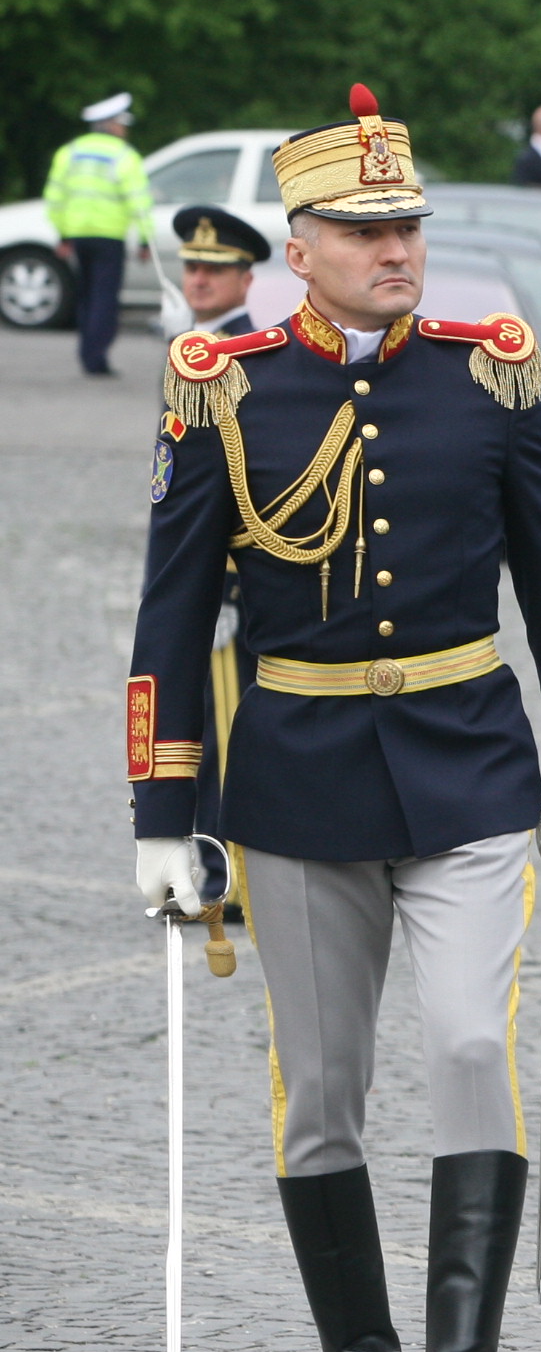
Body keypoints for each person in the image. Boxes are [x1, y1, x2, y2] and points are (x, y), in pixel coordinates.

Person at [128, 84, 541, 1352]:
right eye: (361, 230)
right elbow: (171, 612)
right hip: (294, 777)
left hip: (467, 763)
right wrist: (162, 814)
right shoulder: (225, 388)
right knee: (322, 1087)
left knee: (472, 1043)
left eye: (405, 224)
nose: (395, 249)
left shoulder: (489, 369)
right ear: (303, 246)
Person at [167, 206, 272, 905]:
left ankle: (232, 876)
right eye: (192, 266)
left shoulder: (242, 358)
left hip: (237, 586)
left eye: (215, 268)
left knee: (232, 736)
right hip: (208, 578)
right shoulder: (199, 348)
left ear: (246, 277)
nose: (198, 278)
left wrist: (228, 578)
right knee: (205, 730)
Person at [46, 92, 149, 378]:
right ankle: (96, 357)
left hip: (78, 235)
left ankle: (86, 351)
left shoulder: (69, 152)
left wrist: (63, 235)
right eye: (122, 124)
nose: (125, 130)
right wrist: (144, 239)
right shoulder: (124, 156)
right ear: (111, 125)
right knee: (105, 298)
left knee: (86, 295)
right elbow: (139, 202)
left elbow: (55, 197)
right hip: (109, 236)